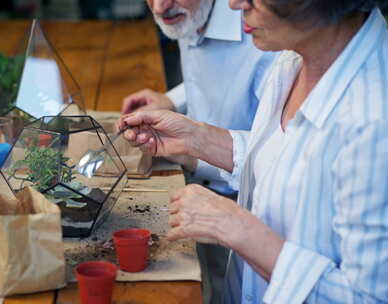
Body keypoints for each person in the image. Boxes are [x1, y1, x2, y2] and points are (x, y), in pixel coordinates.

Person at [118, 0, 388, 302]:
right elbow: (287, 164)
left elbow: (368, 298)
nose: (233, 3)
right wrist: (196, 138)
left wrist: (234, 227)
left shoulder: (374, 122)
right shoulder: (292, 58)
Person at [122, 1, 275, 302]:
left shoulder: (265, 40)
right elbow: (212, 75)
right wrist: (173, 100)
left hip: (251, 218)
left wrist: (195, 154)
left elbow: (279, 155)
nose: (159, 7)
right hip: (201, 201)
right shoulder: (189, 13)